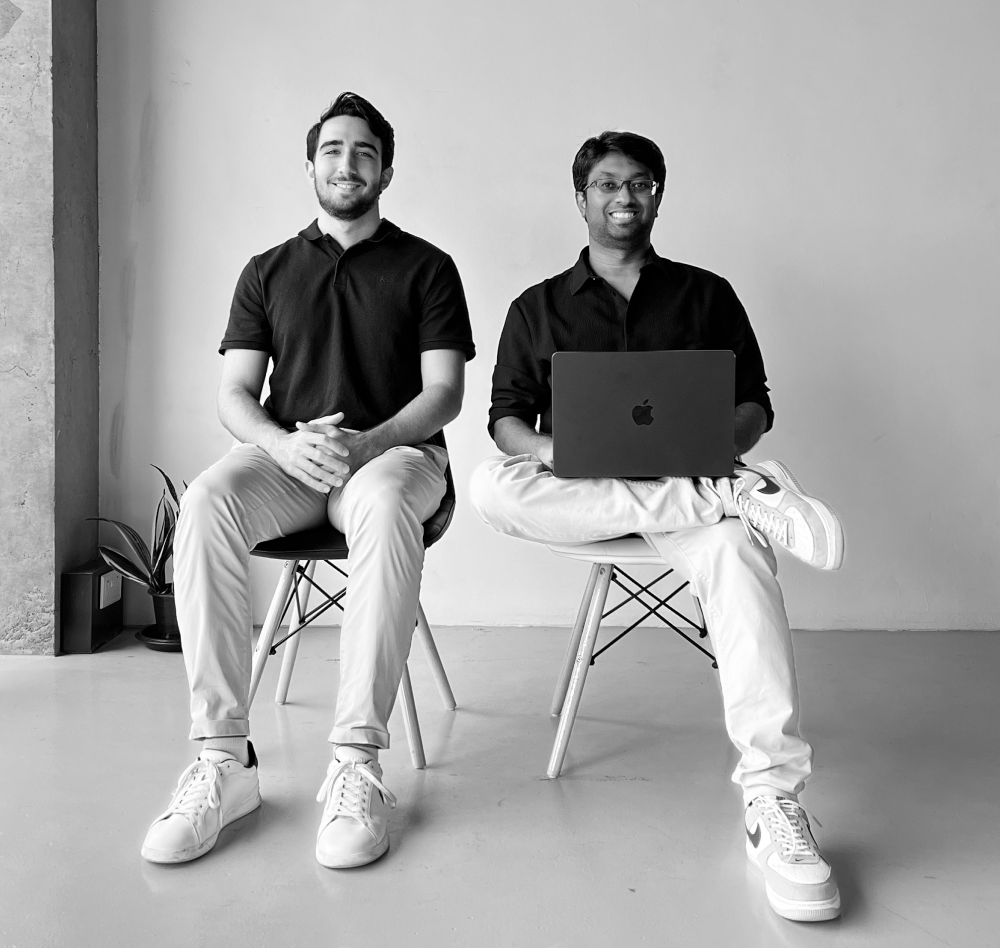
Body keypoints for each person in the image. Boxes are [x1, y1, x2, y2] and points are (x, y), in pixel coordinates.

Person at [469, 130, 844, 923]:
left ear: (658, 196)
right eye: (608, 184)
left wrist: (715, 445)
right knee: (488, 486)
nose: (624, 197)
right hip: (589, 494)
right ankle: (731, 498)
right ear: (581, 198)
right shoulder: (536, 307)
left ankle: (773, 799)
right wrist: (554, 450)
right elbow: (504, 421)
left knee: (738, 555)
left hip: (686, 479)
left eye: (640, 183)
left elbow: (755, 403)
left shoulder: (707, 294)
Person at [141, 93, 475, 869]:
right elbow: (234, 395)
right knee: (207, 500)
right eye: (332, 149)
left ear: (386, 170)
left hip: (394, 456)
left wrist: (369, 445)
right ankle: (224, 758)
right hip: (291, 458)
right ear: (310, 165)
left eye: (364, 152)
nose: (346, 163)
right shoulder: (267, 270)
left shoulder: (428, 267)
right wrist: (282, 445)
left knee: (384, 503)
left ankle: (357, 764)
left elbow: (445, 394)